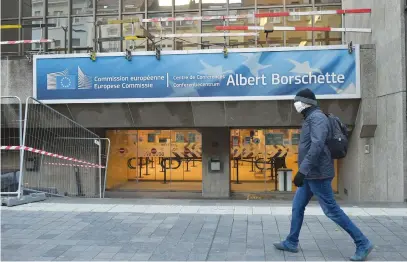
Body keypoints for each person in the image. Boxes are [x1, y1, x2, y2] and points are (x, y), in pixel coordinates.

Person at [273, 88, 373, 261]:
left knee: (331, 211)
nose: (295, 105)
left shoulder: (317, 118)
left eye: (298, 101)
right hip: (311, 174)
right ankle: (291, 241)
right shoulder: (310, 118)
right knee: (297, 207)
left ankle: (362, 242)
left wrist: (302, 171)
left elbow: (317, 146)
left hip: (318, 174)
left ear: (306, 103)